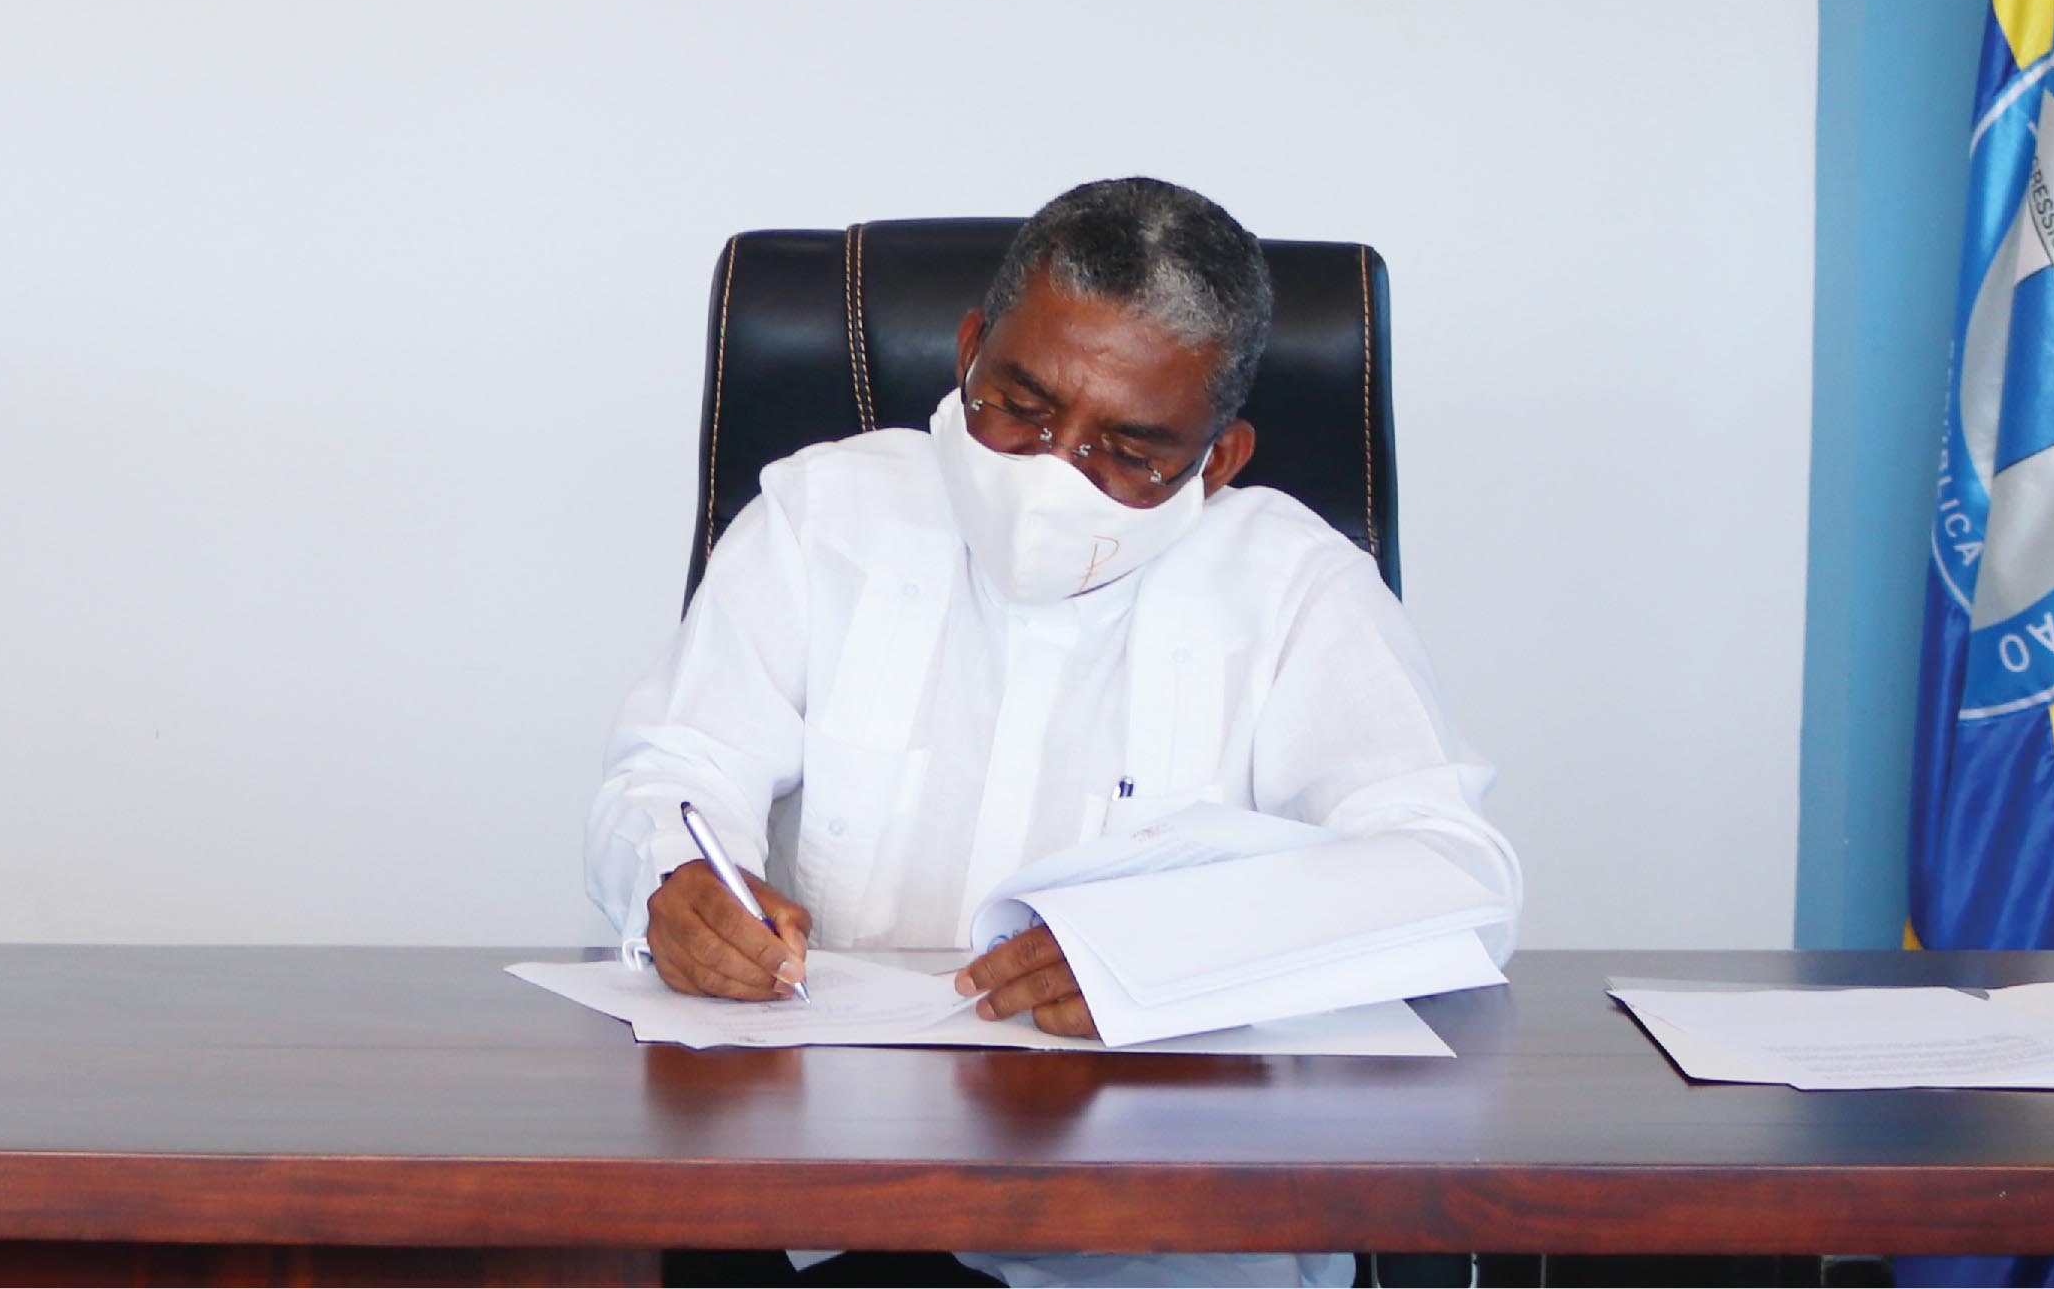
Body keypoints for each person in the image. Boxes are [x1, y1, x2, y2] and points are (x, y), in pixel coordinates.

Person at [587, 178, 1518, 1289]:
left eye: (1126, 448)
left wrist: (1163, 953)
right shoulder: (820, 516)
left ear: (1216, 460)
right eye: (1019, 405)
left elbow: (1456, 874)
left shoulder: (1295, 586)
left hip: (1167, 1246)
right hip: (833, 1216)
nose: (1048, 470)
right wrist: (679, 878)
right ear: (970, 347)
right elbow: (673, 769)